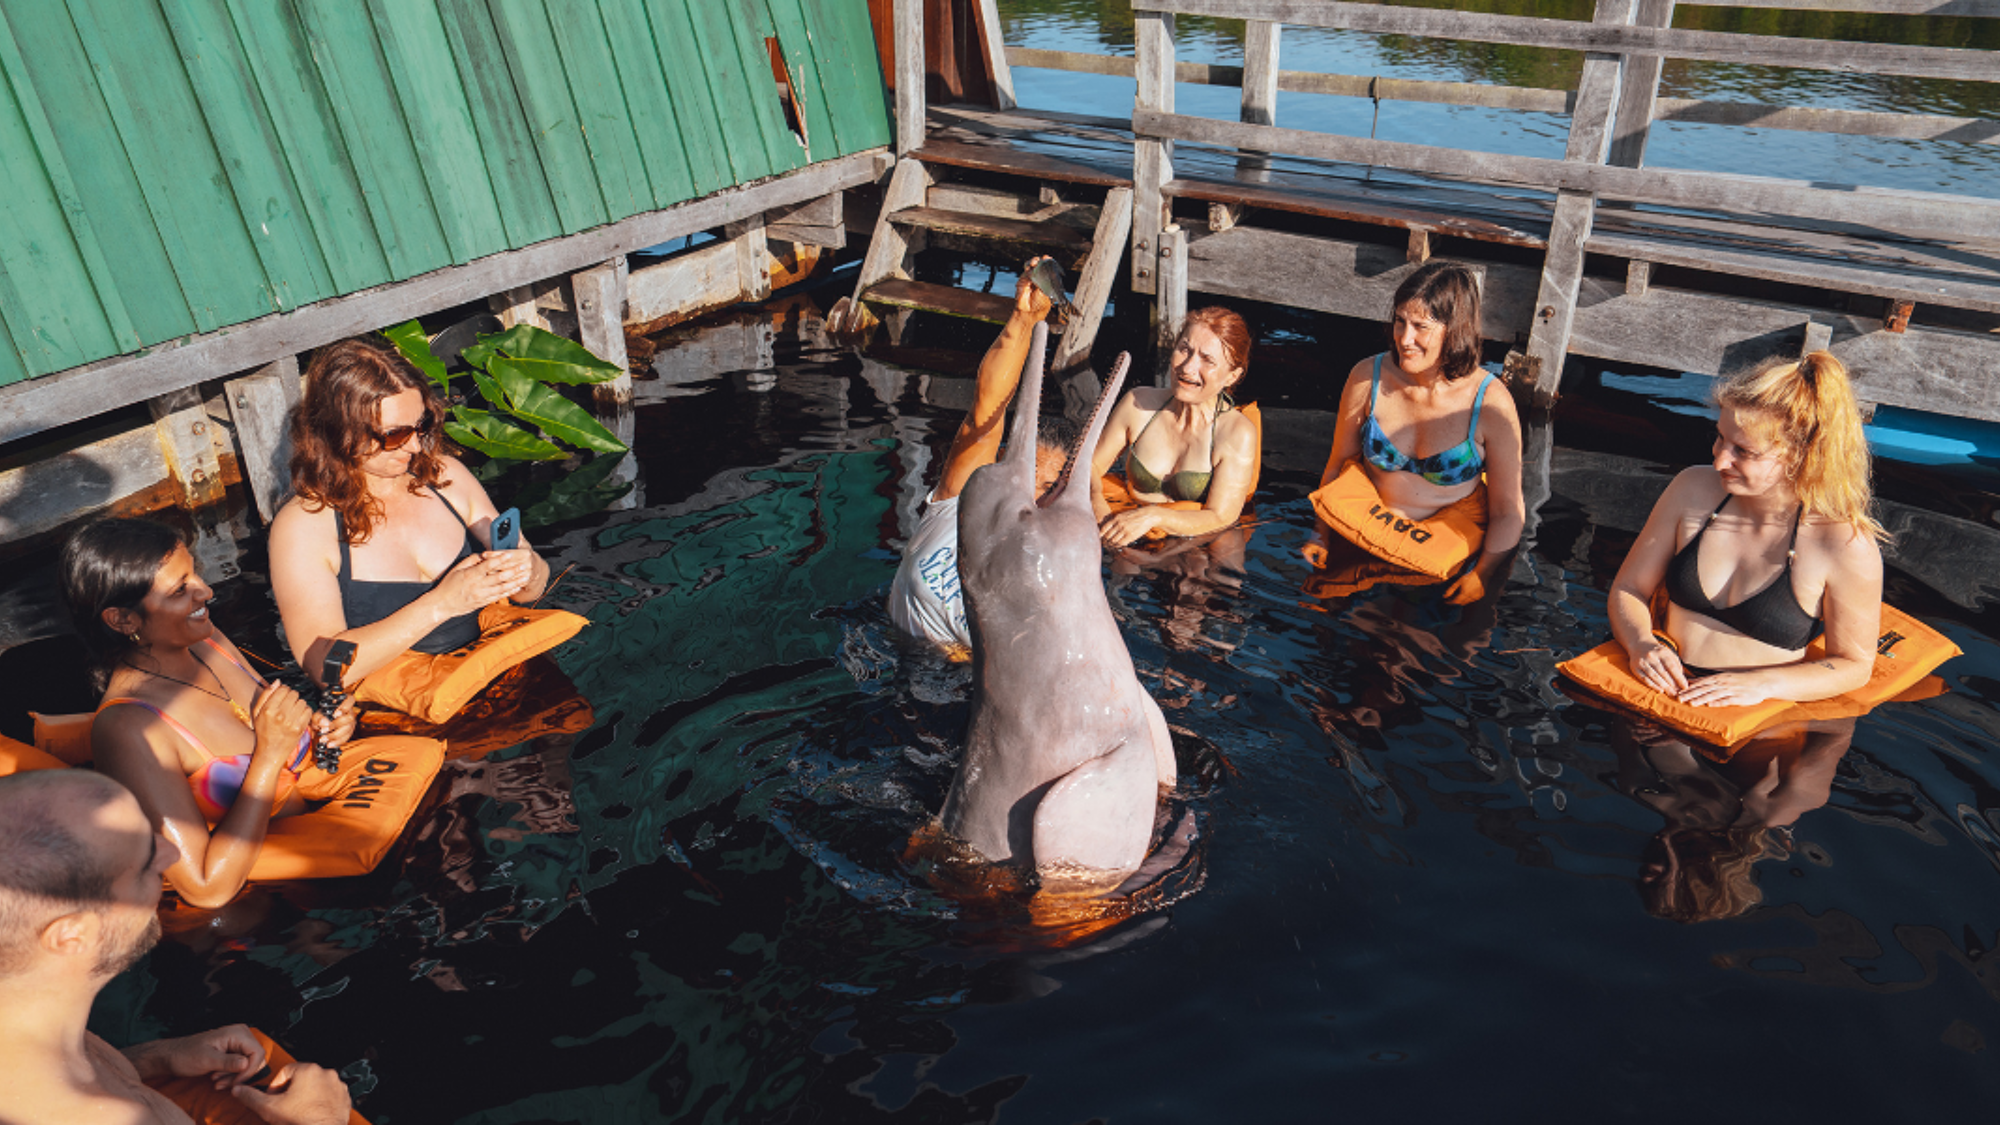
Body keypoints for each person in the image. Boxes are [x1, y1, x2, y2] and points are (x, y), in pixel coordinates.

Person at [0, 769, 357, 1124]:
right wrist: (319, 1119)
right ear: (73, 935)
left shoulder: (26, 1012)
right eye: (144, 863)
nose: (171, 855)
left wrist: (154, 1058)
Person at [62, 519, 353, 911]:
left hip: (329, 862)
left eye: (194, 573)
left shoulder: (209, 642)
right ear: (123, 620)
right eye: (181, 589)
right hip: (265, 919)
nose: (207, 591)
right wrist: (269, 755)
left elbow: (278, 738)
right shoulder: (129, 727)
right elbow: (204, 889)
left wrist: (322, 730)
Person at [1607, 351, 1885, 706]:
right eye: (1720, 438)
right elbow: (1629, 588)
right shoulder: (1691, 488)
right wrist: (1641, 644)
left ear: (1802, 455)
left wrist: (1763, 685)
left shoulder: (1843, 544)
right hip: (1657, 695)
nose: (1720, 459)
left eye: (1744, 451)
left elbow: (1855, 665)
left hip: (1754, 723)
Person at [268, 337, 546, 688]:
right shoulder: (304, 527)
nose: (416, 446)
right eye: (395, 434)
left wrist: (530, 569)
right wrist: (442, 604)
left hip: (503, 674)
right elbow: (324, 669)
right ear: (342, 430)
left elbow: (531, 590)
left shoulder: (445, 476)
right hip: (408, 712)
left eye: (422, 425)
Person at [1306, 262, 1524, 603]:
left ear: (1454, 330)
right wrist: (1320, 534)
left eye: (1420, 326)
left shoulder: (1491, 405)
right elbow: (1337, 465)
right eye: (1400, 321)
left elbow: (1508, 512)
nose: (1404, 339)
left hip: (1438, 568)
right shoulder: (1367, 378)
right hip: (1361, 540)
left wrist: (1482, 576)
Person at [888, 259, 1067, 654]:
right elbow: (986, 414)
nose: (1034, 492)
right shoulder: (956, 508)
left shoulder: (1042, 581)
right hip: (881, 667)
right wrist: (1022, 322)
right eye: (1029, 475)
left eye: (1051, 487)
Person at [1090, 307, 1261, 549]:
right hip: (1122, 532)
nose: (1188, 367)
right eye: (1184, 349)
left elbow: (1222, 516)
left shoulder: (1236, 433)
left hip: (1192, 549)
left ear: (1232, 376)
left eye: (1207, 360)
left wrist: (1154, 516)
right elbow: (1089, 466)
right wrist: (1096, 505)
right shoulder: (1138, 404)